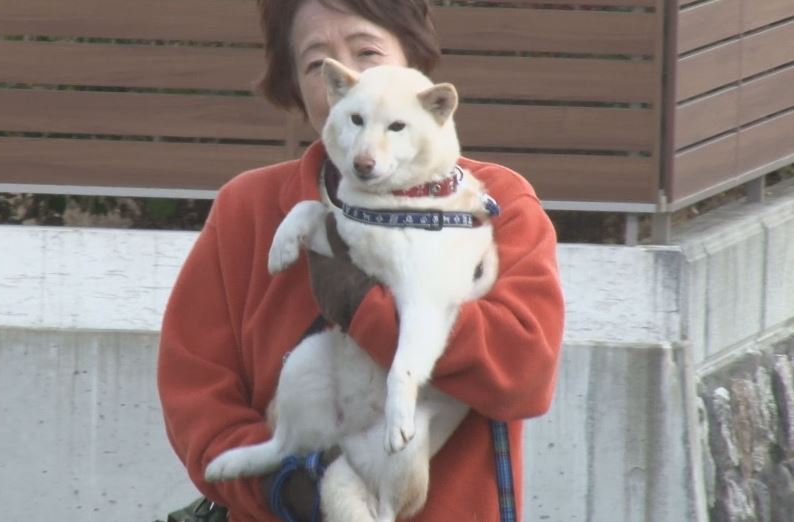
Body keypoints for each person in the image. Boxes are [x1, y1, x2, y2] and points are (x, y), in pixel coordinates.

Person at [157, 0, 565, 520]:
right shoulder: (248, 210)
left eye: (368, 52)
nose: (350, 77)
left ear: (413, 62)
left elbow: (524, 373)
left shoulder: (497, 202)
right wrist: (287, 486)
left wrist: (364, 307)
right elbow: (194, 392)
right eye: (317, 64)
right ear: (295, 86)